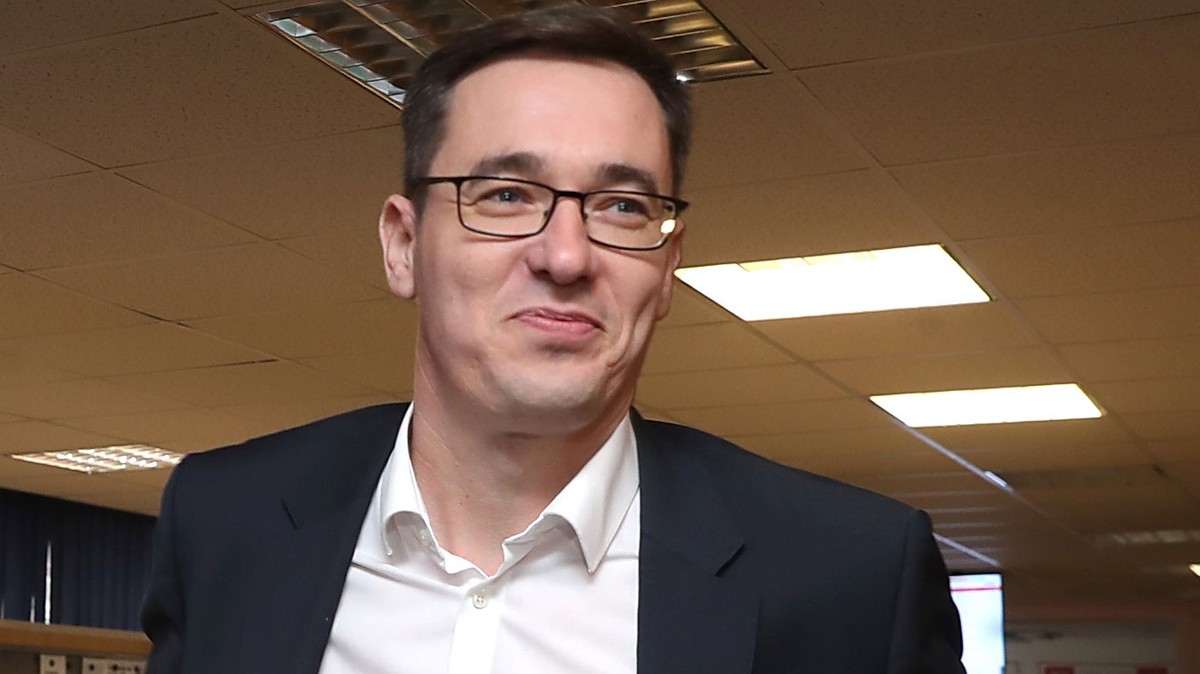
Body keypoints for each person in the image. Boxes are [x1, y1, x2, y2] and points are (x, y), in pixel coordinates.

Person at [141, 7, 966, 673]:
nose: (566, 257)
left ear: (667, 268)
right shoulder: (225, 521)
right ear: (404, 245)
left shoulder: (851, 573)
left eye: (623, 207)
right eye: (505, 195)